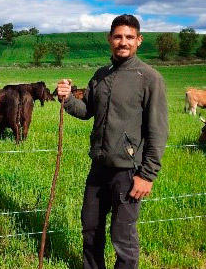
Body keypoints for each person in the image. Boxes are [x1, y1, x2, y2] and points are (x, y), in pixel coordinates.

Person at [57, 14, 168, 269]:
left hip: (128, 172)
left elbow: (158, 131)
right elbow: (87, 111)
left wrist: (147, 175)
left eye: (129, 37)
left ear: (139, 40)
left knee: (123, 236)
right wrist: (67, 98)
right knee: (91, 228)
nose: (123, 42)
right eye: (118, 36)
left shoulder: (150, 78)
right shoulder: (100, 75)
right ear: (109, 40)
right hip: (99, 167)